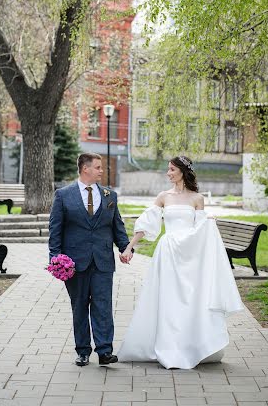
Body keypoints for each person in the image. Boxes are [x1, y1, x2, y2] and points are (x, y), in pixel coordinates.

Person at [118, 155, 244, 369]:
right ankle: (167, 346)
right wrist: (130, 246)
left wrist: (208, 222)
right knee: (167, 299)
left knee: (189, 299)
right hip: (167, 253)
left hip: (189, 256)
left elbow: (200, 230)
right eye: (168, 169)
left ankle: (188, 345)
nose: (168, 173)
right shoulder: (163, 196)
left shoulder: (197, 198)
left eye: (172, 170)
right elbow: (147, 223)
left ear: (183, 172)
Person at [49, 152, 132, 367]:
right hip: (74, 262)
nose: (101, 170)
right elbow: (55, 230)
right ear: (85, 168)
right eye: (97, 167)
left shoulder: (109, 196)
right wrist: (55, 258)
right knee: (79, 306)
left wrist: (125, 248)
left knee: (103, 306)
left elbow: (117, 226)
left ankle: (105, 351)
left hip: (103, 260)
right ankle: (83, 351)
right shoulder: (63, 195)